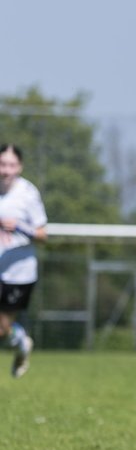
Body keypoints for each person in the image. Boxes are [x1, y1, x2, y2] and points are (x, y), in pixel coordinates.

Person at [0, 145, 47, 378]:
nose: (5, 170)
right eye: (2, 164)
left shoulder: (28, 194)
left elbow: (42, 234)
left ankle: (20, 343)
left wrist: (19, 227)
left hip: (19, 272)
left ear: (19, 167)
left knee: (1, 328)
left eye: (10, 165)